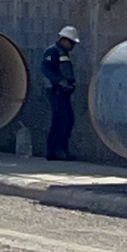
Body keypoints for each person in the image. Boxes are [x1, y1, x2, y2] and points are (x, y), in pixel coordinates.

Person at [42, 26, 80, 161]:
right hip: (55, 91)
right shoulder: (52, 51)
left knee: (66, 120)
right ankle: (55, 151)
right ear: (64, 40)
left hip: (63, 92)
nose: (73, 46)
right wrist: (60, 81)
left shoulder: (62, 52)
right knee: (61, 120)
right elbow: (46, 69)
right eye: (72, 43)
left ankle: (59, 150)